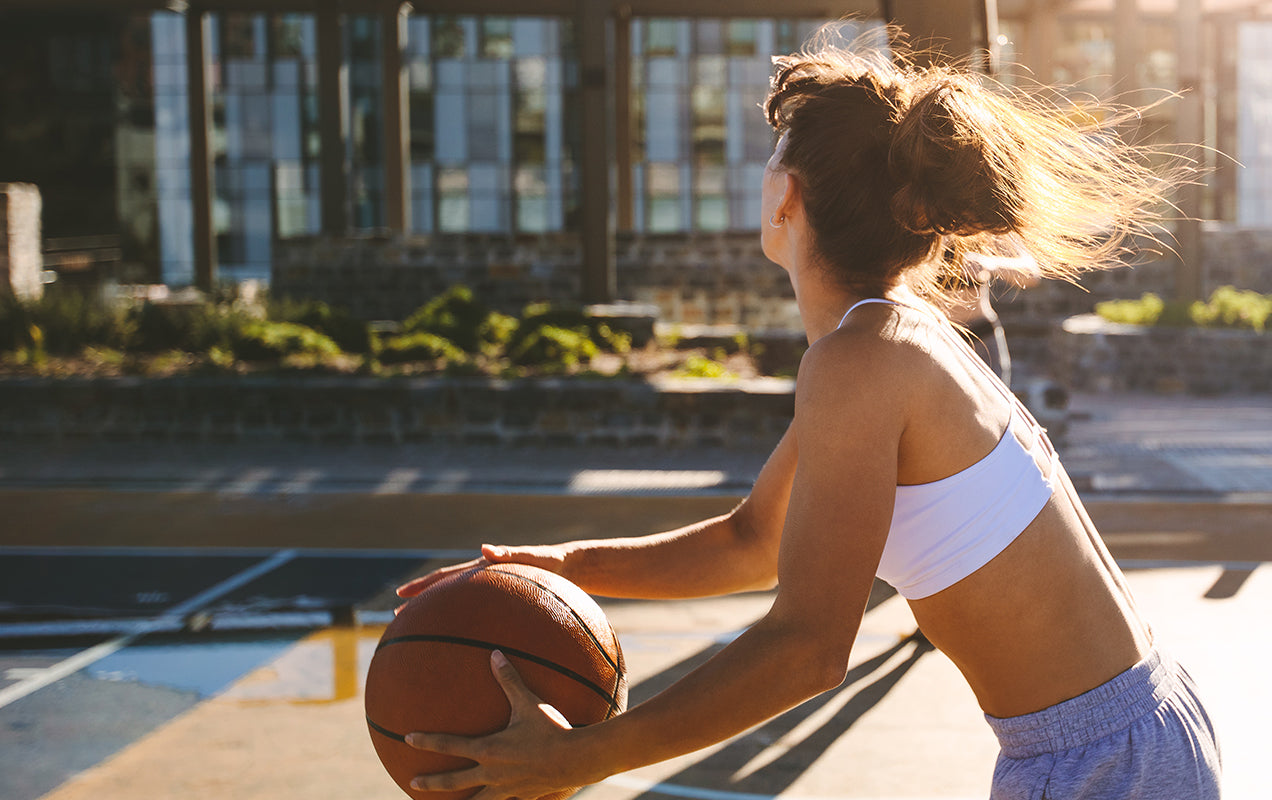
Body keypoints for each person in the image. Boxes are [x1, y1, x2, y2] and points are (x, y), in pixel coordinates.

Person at [393, 37, 1219, 800]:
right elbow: (752, 541)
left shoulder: (863, 362)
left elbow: (809, 648)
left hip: (1099, 760)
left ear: (787, 196)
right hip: (1124, 733)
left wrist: (581, 758)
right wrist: (565, 569)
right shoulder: (889, 338)